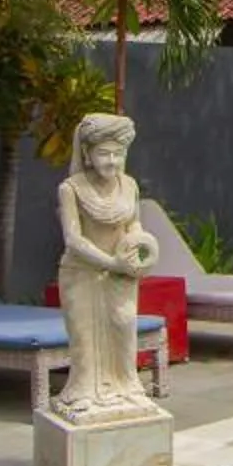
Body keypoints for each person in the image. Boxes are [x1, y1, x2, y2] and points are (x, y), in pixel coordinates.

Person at [54, 112, 161, 416]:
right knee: (84, 336)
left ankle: (128, 387)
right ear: (87, 153)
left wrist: (138, 245)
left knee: (124, 327)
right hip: (82, 273)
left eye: (118, 153)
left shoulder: (129, 185)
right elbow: (73, 240)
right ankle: (83, 391)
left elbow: (134, 223)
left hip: (121, 274)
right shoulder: (71, 189)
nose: (111, 161)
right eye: (104, 153)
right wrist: (111, 262)